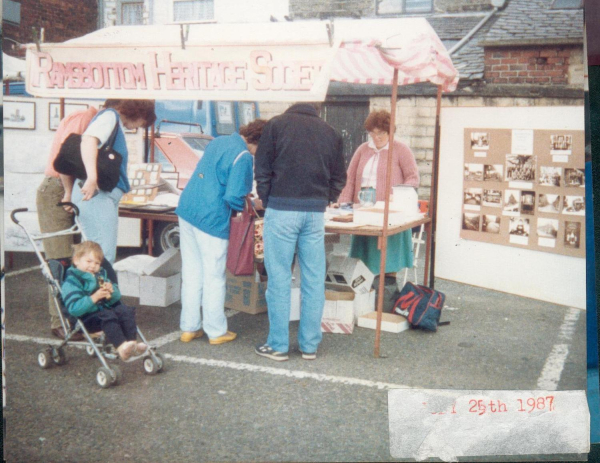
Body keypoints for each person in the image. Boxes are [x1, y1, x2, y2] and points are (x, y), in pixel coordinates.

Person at [254, 103, 346, 361]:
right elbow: (340, 176)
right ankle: (309, 345)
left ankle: (278, 345)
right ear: (317, 107)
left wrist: (267, 198)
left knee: (280, 277)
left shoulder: (275, 125)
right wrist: (326, 198)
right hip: (315, 213)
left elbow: (261, 168)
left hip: (282, 208)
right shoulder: (331, 132)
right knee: (314, 278)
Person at [176, 119, 267, 345]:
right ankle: (215, 331)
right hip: (212, 218)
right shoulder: (243, 156)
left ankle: (189, 327)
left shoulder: (220, 141)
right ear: (257, 142)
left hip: (188, 209)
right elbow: (234, 197)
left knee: (191, 272)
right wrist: (253, 204)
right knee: (214, 276)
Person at [37, 105, 98, 340]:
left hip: (68, 191)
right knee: (60, 261)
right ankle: (59, 320)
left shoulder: (90, 118)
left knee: (76, 261)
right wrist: (67, 193)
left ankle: (75, 314)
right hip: (57, 190)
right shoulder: (85, 118)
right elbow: (64, 158)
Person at [69, 100, 156, 264]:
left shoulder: (112, 120)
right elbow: (88, 140)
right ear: (139, 113)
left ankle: (95, 288)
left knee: (96, 254)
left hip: (100, 195)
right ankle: (100, 289)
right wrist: (92, 177)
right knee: (100, 256)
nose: (137, 127)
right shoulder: (110, 116)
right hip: (97, 195)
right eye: (141, 123)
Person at [336, 109, 419, 277]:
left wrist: (397, 195)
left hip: (390, 216)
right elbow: (349, 178)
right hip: (364, 213)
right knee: (363, 265)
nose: (376, 138)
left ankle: (385, 295)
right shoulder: (362, 149)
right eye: (372, 134)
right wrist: (343, 202)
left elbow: (413, 178)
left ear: (390, 132)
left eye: (380, 133)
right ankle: (366, 296)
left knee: (387, 262)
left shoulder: (401, 149)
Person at [61, 241, 147, 361]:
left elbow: (115, 299)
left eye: (97, 263)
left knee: (124, 310)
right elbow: (74, 309)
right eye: (89, 261)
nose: (93, 266)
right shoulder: (72, 282)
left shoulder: (100, 276)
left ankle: (131, 343)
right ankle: (122, 348)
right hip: (86, 319)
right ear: (76, 261)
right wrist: (94, 297)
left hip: (104, 313)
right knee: (107, 315)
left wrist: (111, 291)